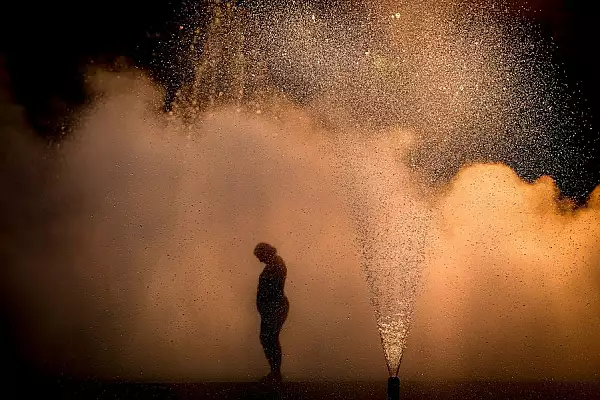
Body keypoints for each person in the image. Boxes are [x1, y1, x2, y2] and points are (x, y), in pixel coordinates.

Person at [254, 242, 289, 383]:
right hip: (272, 307)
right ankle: (275, 373)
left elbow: (272, 287)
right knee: (268, 339)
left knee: (270, 339)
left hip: (275, 307)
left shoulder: (276, 264)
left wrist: (266, 304)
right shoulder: (274, 263)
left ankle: (276, 374)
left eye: (260, 255)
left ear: (266, 252)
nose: (259, 259)